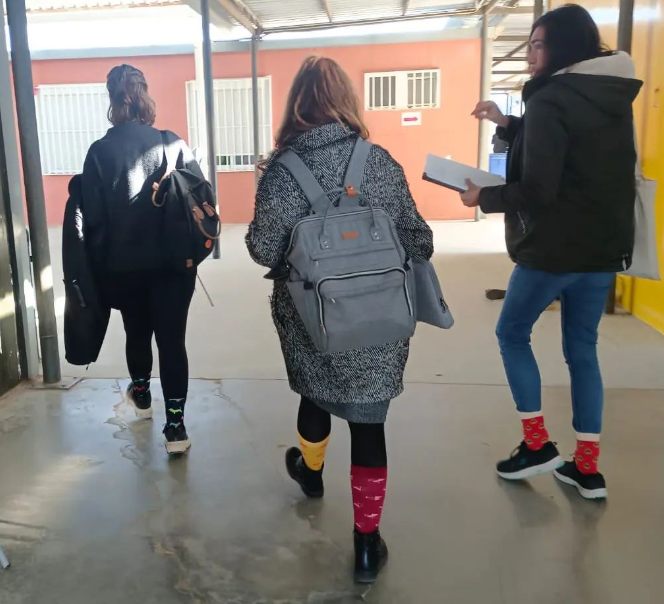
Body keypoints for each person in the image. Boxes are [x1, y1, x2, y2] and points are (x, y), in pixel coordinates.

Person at [246, 56, 433, 583]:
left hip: (313, 317)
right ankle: (367, 544)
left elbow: (263, 250)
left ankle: (310, 473)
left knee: (316, 393)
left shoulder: (282, 171)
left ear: (296, 105)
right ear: (346, 101)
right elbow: (419, 240)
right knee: (368, 423)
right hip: (380, 317)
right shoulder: (380, 162)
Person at [461, 5, 641, 500]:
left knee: (512, 334)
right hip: (603, 250)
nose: (531, 55)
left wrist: (483, 196)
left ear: (562, 47)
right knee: (582, 350)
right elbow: (570, 149)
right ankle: (587, 469)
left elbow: (539, 189)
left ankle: (537, 445)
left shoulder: (550, 98)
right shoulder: (610, 93)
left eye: (539, 45)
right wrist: (507, 122)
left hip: (553, 251)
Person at [81, 64, 205, 454]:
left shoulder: (99, 152)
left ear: (112, 99)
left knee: (136, 333)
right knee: (173, 342)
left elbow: (92, 220)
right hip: (174, 267)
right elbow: (201, 202)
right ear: (144, 95)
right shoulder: (173, 143)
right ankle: (176, 428)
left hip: (124, 269)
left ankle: (142, 395)